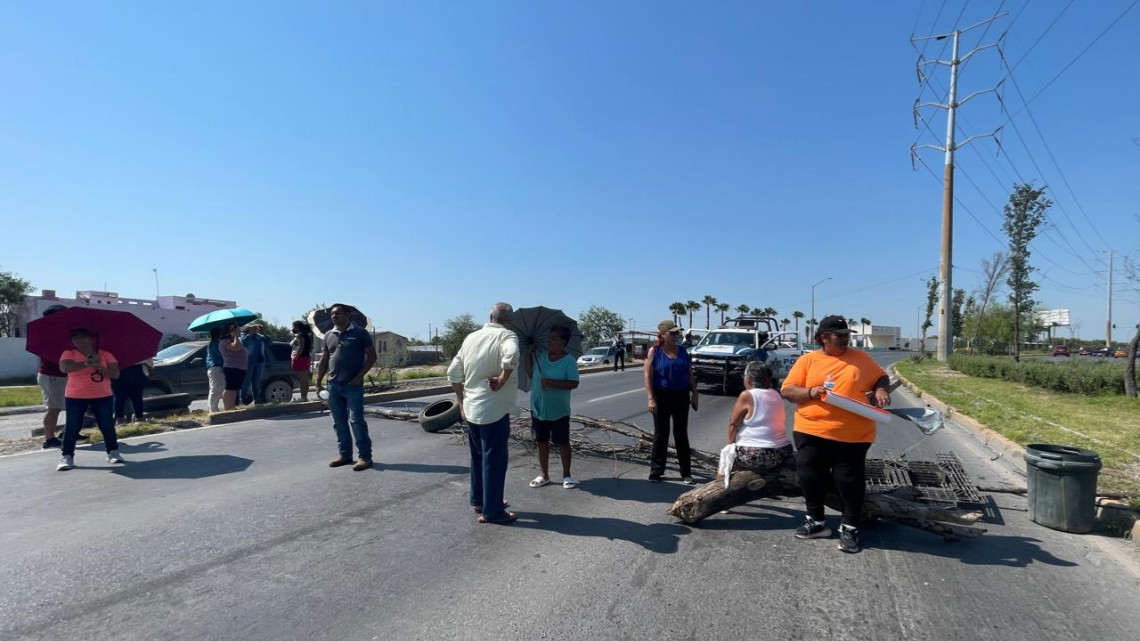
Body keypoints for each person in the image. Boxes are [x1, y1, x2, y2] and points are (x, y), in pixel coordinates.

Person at [781, 315, 890, 554]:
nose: (845, 340)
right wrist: (810, 391)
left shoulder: (861, 358)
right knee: (809, 475)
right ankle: (816, 521)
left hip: (853, 433)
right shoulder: (807, 361)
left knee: (848, 479)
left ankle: (849, 527)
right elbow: (788, 391)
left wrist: (881, 389)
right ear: (823, 338)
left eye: (846, 335)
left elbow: (881, 376)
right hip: (811, 429)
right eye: (839, 336)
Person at [447, 302, 520, 524]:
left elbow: (453, 373)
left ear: (491, 316)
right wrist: (502, 378)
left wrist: (461, 403)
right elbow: (512, 355)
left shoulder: (471, 338)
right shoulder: (508, 336)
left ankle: (480, 501)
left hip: (472, 408)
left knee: (478, 457)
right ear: (509, 320)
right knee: (495, 460)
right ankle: (493, 511)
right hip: (493, 409)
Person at [315, 304, 377, 471]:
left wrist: (359, 377)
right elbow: (324, 359)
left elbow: (372, 356)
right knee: (338, 422)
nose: (334, 316)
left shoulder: (360, 333)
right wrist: (319, 381)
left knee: (356, 421)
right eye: (333, 314)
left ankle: (365, 457)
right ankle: (345, 455)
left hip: (353, 385)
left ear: (348, 315)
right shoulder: (329, 335)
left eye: (338, 313)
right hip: (334, 385)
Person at [56, 328, 122, 470]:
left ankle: (113, 451)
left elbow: (115, 374)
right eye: (75, 338)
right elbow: (64, 368)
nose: (78, 341)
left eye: (82, 337)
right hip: (75, 395)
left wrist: (98, 366)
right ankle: (67, 456)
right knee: (72, 426)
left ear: (92, 339)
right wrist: (86, 363)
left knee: (107, 424)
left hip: (102, 394)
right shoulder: (69, 353)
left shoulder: (105, 354)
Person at [524, 325, 580, 490]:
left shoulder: (568, 361)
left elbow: (574, 383)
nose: (550, 341)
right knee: (541, 442)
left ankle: (567, 475)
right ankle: (544, 475)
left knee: (563, 443)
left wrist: (551, 383)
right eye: (550, 337)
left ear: (563, 341)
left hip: (558, 411)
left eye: (554, 338)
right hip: (538, 408)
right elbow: (530, 373)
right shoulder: (541, 357)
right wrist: (529, 354)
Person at [716, 361, 792, 482]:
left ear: (749, 381)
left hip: (758, 454)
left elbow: (733, 423)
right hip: (782, 451)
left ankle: (719, 488)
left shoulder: (747, 395)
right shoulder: (776, 394)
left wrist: (729, 447)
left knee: (726, 457)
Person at [643, 320, 699, 484]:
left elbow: (689, 374)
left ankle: (686, 473)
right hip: (661, 396)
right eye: (672, 333)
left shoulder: (682, 351)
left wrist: (695, 394)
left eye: (677, 333)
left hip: (681, 396)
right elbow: (648, 376)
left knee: (681, 434)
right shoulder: (655, 351)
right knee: (661, 434)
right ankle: (656, 471)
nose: (676, 335)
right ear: (662, 335)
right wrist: (651, 398)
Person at [37, 305, 68, 448]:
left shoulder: (63, 332)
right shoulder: (46, 334)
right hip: (52, 375)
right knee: (54, 407)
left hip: (64, 374)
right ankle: (49, 438)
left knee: (72, 405)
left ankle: (67, 431)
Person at [219, 323, 249, 411]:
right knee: (229, 388)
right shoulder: (225, 341)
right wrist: (235, 336)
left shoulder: (234, 340)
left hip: (240, 367)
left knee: (234, 388)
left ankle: (232, 406)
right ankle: (227, 407)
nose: (239, 331)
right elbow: (236, 347)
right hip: (232, 367)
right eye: (237, 330)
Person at [240, 324, 271, 405]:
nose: (256, 330)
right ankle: (242, 400)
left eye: (257, 329)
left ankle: (257, 400)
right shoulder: (245, 336)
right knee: (245, 382)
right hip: (249, 362)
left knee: (256, 382)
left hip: (260, 362)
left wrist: (263, 333)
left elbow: (269, 342)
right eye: (255, 329)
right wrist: (250, 333)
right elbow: (244, 342)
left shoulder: (260, 337)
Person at [112, 359, 151, 424]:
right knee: (137, 397)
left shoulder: (115, 351)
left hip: (119, 371)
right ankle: (139, 417)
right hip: (136, 371)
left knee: (119, 397)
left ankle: (119, 418)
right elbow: (148, 362)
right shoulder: (136, 350)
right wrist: (150, 371)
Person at [290, 321, 314, 402]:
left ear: (297, 327)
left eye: (293, 327)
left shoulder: (300, 335)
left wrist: (296, 357)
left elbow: (301, 346)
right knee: (305, 379)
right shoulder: (306, 334)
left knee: (302, 380)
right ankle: (304, 396)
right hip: (306, 358)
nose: (292, 328)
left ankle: (303, 397)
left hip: (300, 359)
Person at [206, 327, 225, 413]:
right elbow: (220, 356)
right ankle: (213, 409)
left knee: (217, 388)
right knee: (216, 388)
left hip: (213, 367)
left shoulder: (212, 344)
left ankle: (213, 408)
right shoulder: (216, 344)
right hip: (215, 366)